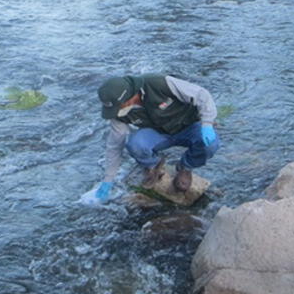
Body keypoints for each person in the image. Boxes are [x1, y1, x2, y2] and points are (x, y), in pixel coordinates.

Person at [92, 74, 220, 201]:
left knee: (210, 144)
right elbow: (114, 146)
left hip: (189, 126)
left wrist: (207, 123)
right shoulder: (118, 114)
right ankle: (153, 166)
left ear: (129, 97)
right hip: (158, 134)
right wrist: (108, 179)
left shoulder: (161, 83)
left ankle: (185, 168)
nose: (115, 111)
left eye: (117, 107)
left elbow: (202, 95)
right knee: (135, 144)